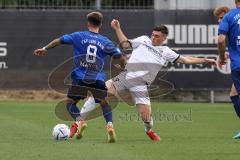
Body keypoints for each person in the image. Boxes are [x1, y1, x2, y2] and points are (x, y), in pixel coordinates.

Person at [80, 19, 217, 141]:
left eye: (157, 36)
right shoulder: (144, 40)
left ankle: (149, 130)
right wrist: (117, 29)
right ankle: (78, 122)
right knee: (99, 92)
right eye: (153, 34)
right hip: (126, 76)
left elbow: (186, 59)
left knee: (147, 119)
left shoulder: (166, 51)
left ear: (163, 37)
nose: (153, 37)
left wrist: (204, 59)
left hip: (141, 85)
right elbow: (126, 45)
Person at [33, 11, 122, 143]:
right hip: (97, 78)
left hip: (80, 77)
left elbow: (58, 41)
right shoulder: (105, 41)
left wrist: (45, 48)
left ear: (88, 23)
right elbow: (118, 55)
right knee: (104, 103)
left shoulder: (78, 36)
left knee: (69, 102)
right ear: (100, 24)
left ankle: (80, 121)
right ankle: (110, 125)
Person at [218, 0, 240, 139]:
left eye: (221, 17)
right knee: (234, 95)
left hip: (238, 65)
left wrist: (222, 56)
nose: (219, 20)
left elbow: (221, 40)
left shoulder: (230, 17)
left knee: (235, 95)